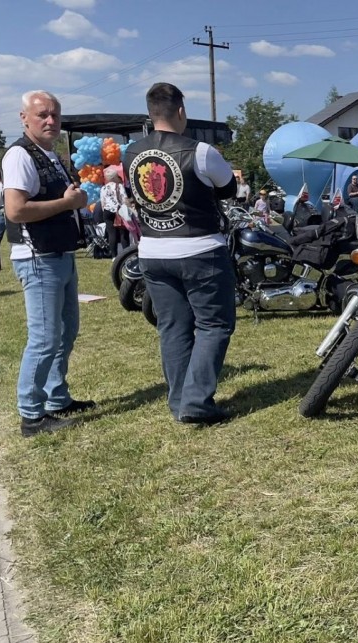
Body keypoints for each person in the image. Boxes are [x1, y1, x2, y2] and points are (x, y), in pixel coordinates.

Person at [124, 82, 238, 426]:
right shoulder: (200, 151)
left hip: (152, 249)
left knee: (172, 328)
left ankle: (179, 401)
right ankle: (196, 402)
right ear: (181, 111)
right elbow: (228, 188)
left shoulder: (131, 153)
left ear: (150, 113)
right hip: (199, 247)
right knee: (214, 325)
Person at [2, 90, 94, 437]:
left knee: (66, 331)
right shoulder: (20, 155)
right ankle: (31, 415)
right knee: (44, 338)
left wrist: (76, 199)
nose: (51, 121)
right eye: (42, 114)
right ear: (24, 118)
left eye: (55, 114)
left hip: (60, 254)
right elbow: (16, 210)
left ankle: (57, 398)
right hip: (38, 257)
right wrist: (66, 204)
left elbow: (64, 199)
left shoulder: (50, 155)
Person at [100, 167, 129, 255]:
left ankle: (113, 255)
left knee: (111, 233)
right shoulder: (119, 186)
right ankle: (126, 253)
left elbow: (102, 202)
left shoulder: (103, 188)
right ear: (114, 177)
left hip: (107, 211)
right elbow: (124, 199)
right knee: (123, 233)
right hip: (118, 210)